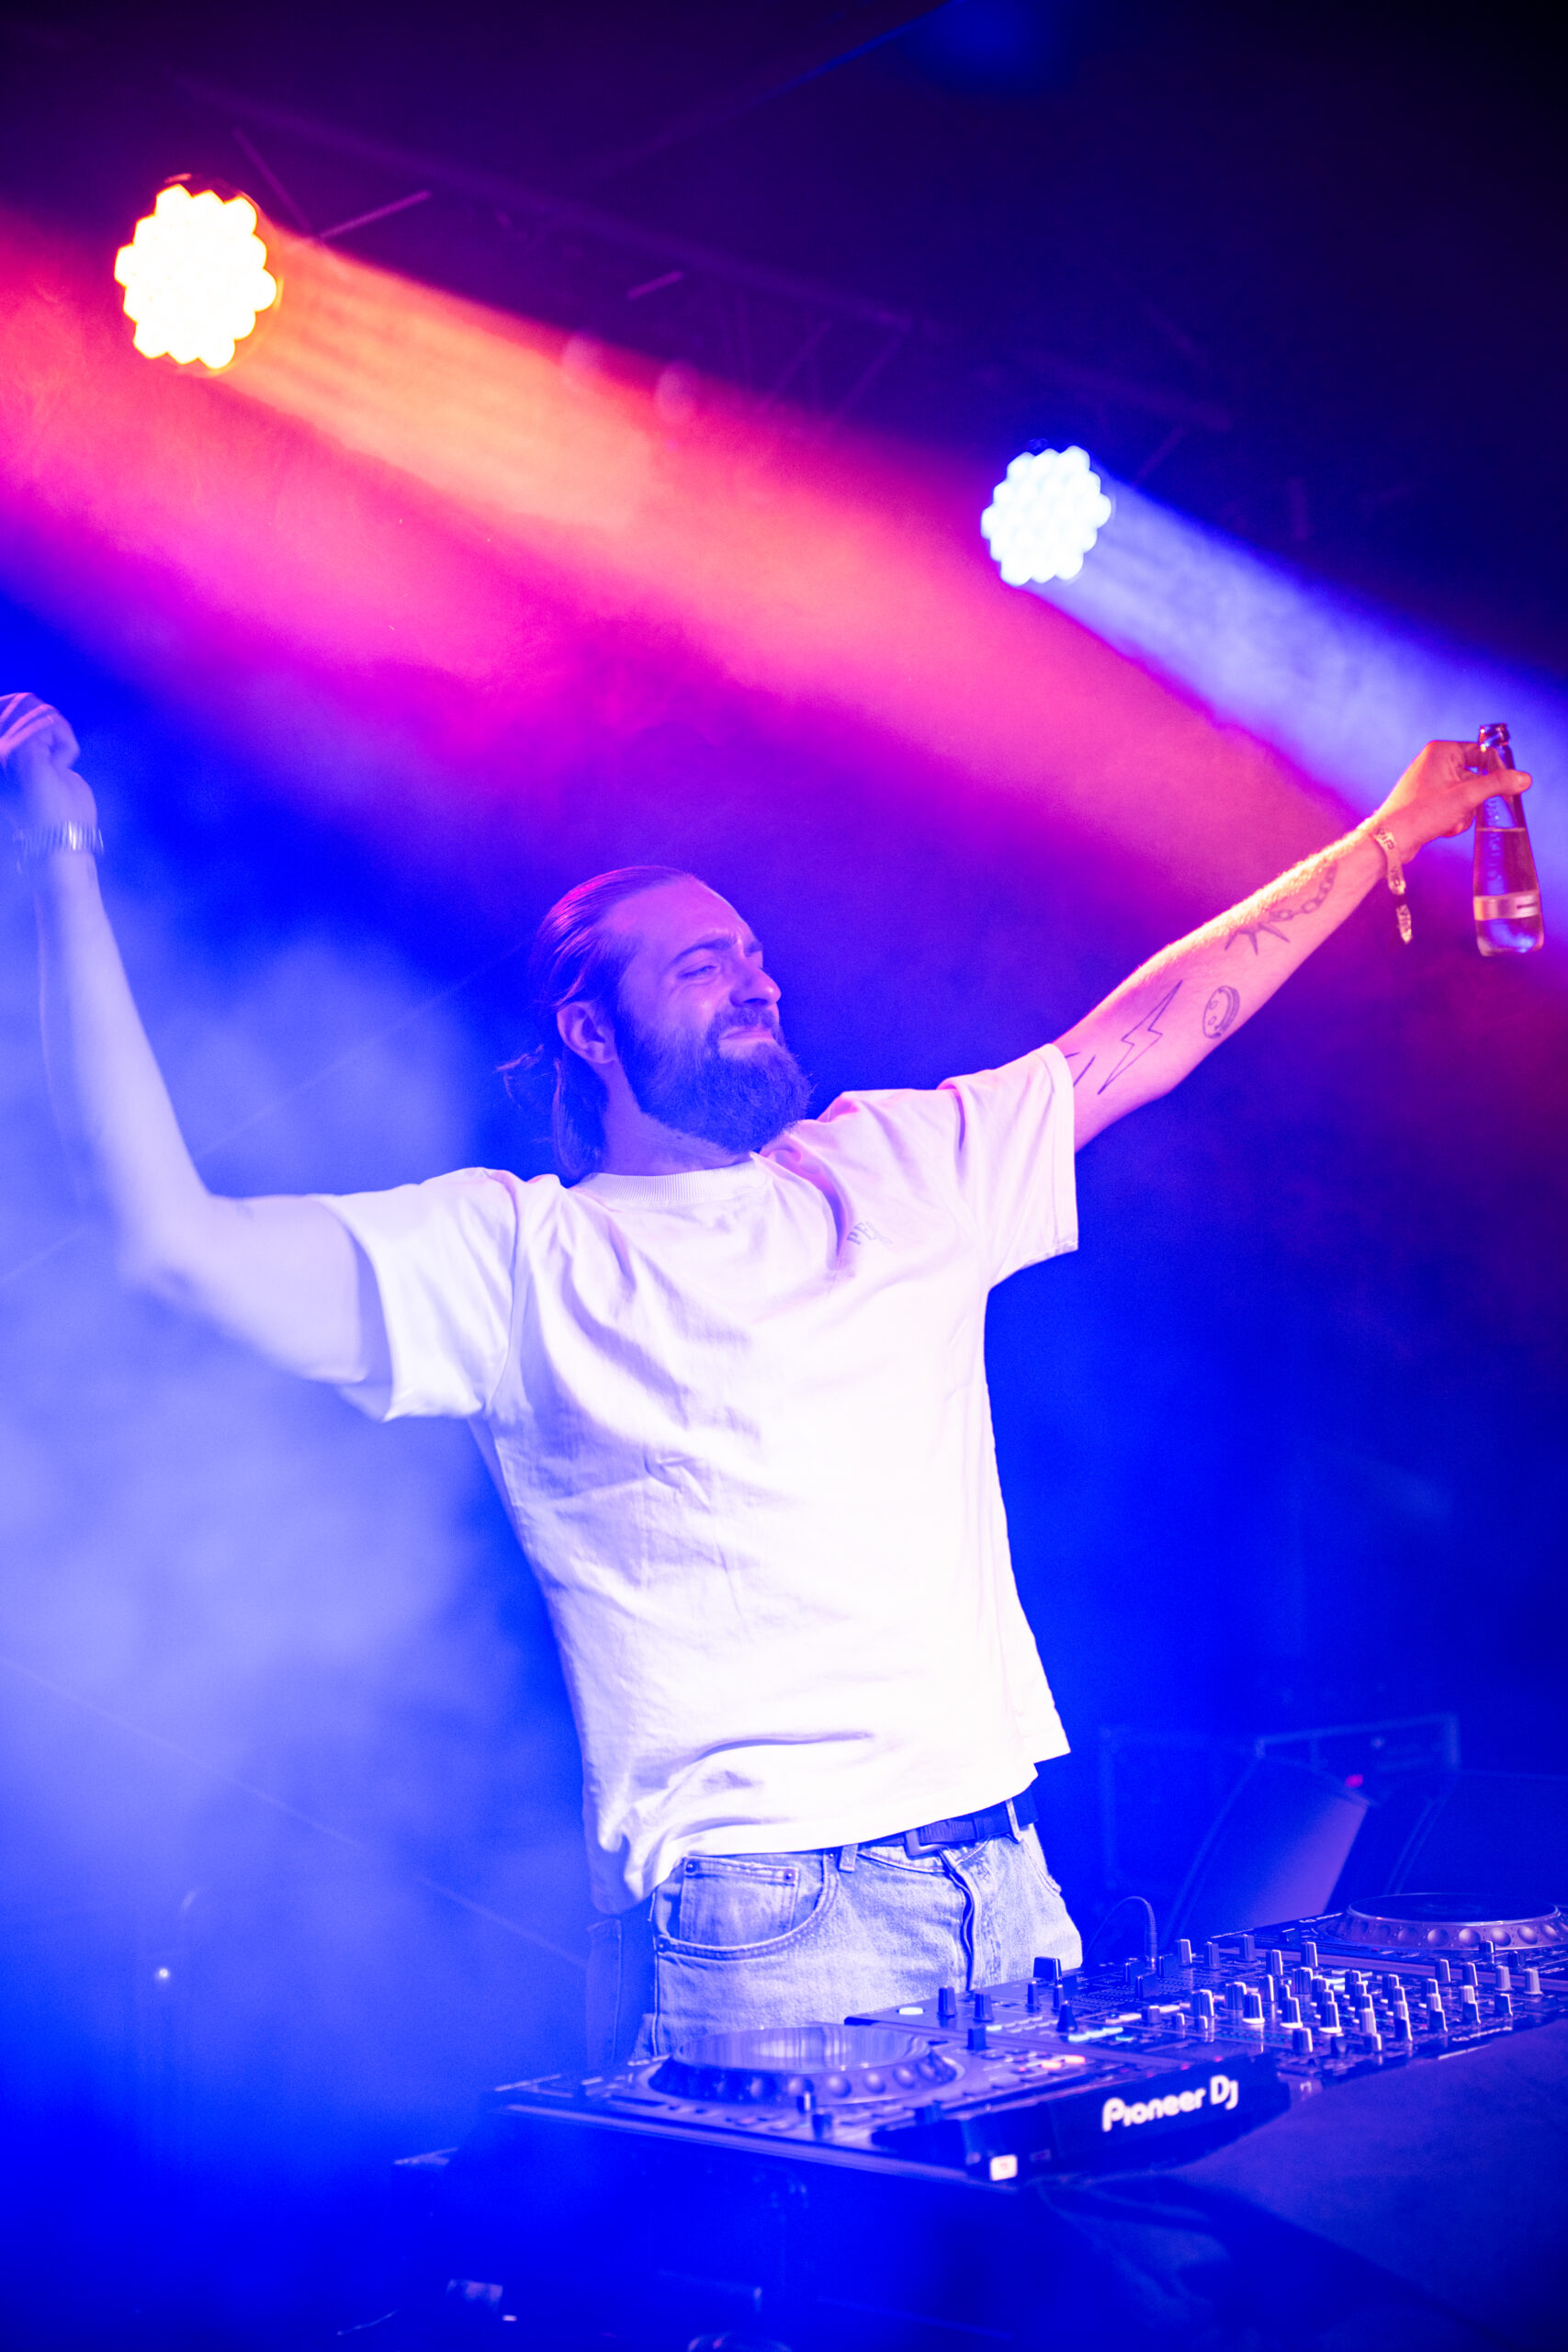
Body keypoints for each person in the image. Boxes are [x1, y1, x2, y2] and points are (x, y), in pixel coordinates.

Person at [0, 690, 1517, 2066]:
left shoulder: (898, 1163)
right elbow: (170, 1239)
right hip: (769, 1934)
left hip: (1006, 1882)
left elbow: (1146, 1034)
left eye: (755, 954)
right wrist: (64, 862)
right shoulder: (516, 1257)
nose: (756, 980)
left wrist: (1384, 837)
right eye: (701, 962)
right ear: (589, 1029)